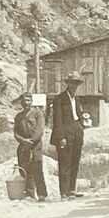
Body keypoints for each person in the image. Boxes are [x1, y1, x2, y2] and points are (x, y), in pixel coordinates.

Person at [51, 70, 86, 199]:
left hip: (77, 132)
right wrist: (61, 137)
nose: (74, 85)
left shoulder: (76, 98)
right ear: (68, 83)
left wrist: (82, 124)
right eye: (72, 83)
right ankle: (64, 193)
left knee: (75, 161)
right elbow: (57, 120)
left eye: (76, 83)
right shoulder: (59, 99)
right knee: (64, 163)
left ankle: (72, 190)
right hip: (65, 134)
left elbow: (78, 114)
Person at [13, 92, 47, 201]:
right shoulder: (18, 116)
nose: (26, 103)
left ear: (32, 101)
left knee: (37, 169)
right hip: (23, 146)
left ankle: (42, 194)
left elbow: (40, 130)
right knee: (25, 170)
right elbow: (16, 133)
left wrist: (31, 141)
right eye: (23, 101)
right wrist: (23, 141)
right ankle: (29, 194)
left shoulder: (38, 113)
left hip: (35, 145)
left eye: (28, 100)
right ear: (21, 102)